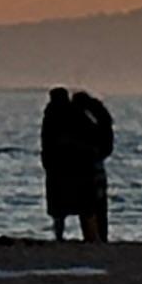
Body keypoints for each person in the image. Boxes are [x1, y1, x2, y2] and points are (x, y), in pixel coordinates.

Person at [67, 89, 114, 247]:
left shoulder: (83, 120)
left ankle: (92, 236)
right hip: (97, 165)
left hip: (87, 167)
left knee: (88, 204)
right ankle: (101, 235)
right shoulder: (99, 117)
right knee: (99, 204)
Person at [37, 86, 83, 242]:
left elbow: (45, 140)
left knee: (59, 206)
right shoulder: (72, 113)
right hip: (66, 165)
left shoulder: (52, 114)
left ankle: (59, 234)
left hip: (59, 165)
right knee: (67, 203)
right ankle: (64, 234)